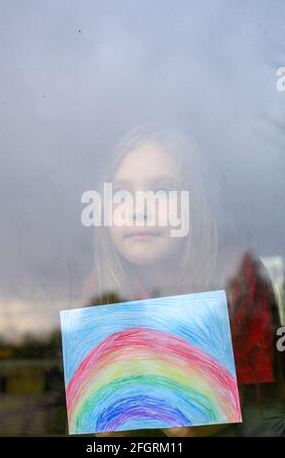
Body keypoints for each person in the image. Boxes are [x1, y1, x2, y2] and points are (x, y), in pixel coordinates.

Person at [82, 125, 285, 437]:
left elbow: (261, 400)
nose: (138, 210)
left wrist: (207, 418)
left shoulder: (238, 274)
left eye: (162, 191)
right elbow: (108, 416)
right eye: (121, 193)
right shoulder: (101, 286)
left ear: (197, 204)